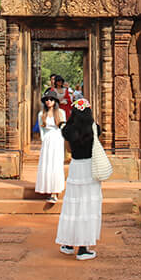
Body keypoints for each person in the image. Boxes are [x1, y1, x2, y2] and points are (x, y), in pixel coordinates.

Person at [55, 98, 102, 260]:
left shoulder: (68, 130)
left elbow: (68, 148)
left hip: (76, 167)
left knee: (72, 204)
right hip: (90, 168)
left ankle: (68, 244)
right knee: (88, 205)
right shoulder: (95, 128)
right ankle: (83, 248)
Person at [35, 91, 66, 203]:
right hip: (47, 140)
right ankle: (48, 188)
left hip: (57, 138)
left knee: (56, 164)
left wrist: (62, 139)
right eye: (47, 99)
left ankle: (55, 192)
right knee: (47, 164)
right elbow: (42, 129)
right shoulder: (41, 114)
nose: (49, 101)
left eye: (51, 99)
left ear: (55, 101)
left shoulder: (61, 113)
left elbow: (63, 127)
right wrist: (44, 140)